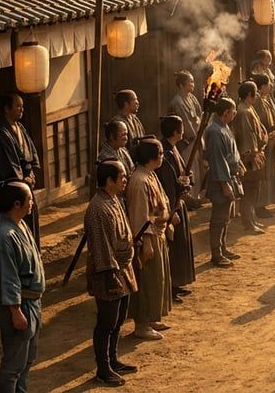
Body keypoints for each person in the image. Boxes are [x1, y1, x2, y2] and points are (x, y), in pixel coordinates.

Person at [84, 161, 138, 386]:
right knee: (106, 321)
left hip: (123, 266)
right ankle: (103, 368)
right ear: (109, 181)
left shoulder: (114, 199)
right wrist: (111, 273)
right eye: (122, 177)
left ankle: (113, 359)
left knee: (119, 318)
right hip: (108, 271)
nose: (125, 180)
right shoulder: (97, 208)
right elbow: (101, 246)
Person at [0, 182, 44, 393]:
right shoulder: (3, 236)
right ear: (17, 203)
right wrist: (15, 311)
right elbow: (7, 277)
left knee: (27, 360)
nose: (32, 203)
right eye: (30, 199)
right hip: (18, 306)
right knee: (13, 365)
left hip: (32, 302)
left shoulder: (21, 225)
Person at [126, 139, 173, 341]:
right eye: (160, 153)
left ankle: (152, 318)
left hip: (157, 233)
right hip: (148, 236)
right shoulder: (139, 180)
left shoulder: (150, 175)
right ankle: (142, 324)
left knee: (158, 280)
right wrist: (145, 243)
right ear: (151, 157)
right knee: (146, 281)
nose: (162, 157)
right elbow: (140, 217)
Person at [0, 93, 41, 245]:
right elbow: (6, 164)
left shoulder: (20, 127)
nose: (22, 109)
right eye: (18, 106)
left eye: (22, 106)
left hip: (25, 183)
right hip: (12, 188)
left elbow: (29, 154)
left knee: (30, 223)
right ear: (6, 109)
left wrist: (30, 173)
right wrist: (22, 179)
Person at [158, 117, 196, 301]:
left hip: (178, 202)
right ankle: (170, 287)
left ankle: (177, 283)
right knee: (173, 247)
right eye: (181, 129)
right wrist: (171, 211)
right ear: (175, 132)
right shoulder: (164, 154)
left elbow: (183, 173)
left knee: (181, 244)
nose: (183, 131)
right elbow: (167, 184)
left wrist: (187, 180)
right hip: (172, 205)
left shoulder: (173, 149)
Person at [205, 98, 244, 267]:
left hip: (229, 176)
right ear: (226, 112)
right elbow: (217, 160)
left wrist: (240, 163)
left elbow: (232, 151)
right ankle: (216, 253)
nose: (234, 114)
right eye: (233, 111)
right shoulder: (214, 131)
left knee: (226, 216)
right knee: (219, 217)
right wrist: (224, 184)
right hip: (220, 179)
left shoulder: (224, 127)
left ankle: (223, 247)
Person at [232, 81, 269, 235]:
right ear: (249, 94)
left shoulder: (247, 108)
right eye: (255, 92)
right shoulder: (243, 111)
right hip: (249, 157)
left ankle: (251, 218)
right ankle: (248, 222)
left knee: (254, 190)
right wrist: (253, 154)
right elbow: (248, 137)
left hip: (254, 153)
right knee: (249, 190)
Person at [248, 73, 275, 215]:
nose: (271, 86)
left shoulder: (266, 99)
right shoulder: (257, 102)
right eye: (269, 84)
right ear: (262, 87)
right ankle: (259, 205)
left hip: (270, 139)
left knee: (268, 172)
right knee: (262, 173)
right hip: (263, 141)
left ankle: (264, 202)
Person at [167, 71, 204, 201]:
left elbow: (199, 114)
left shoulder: (192, 98)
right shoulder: (177, 101)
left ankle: (196, 196)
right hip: (186, 140)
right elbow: (186, 123)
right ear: (182, 85)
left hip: (196, 137)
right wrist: (195, 135)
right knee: (187, 167)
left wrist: (200, 132)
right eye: (190, 82)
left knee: (196, 169)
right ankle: (188, 197)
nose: (193, 84)